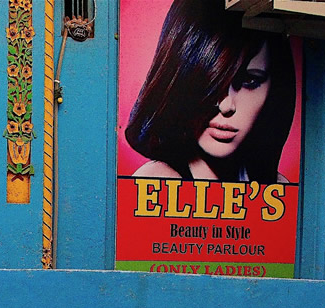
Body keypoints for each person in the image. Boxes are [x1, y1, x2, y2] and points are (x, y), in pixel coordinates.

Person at [125, 0, 296, 183]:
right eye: (213, 80)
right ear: (178, 81)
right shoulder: (158, 180)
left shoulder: (277, 186)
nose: (226, 105)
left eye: (249, 81)